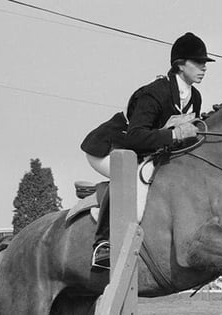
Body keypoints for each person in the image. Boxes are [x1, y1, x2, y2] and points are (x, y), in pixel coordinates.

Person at [81, 32, 214, 270]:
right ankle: (103, 245)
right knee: (128, 176)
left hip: (143, 152)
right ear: (180, 65)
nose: (203, 68)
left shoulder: (194, 97)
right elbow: (135, 137)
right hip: (110, 148)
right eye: (198, 62)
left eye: (205, 63)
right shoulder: (155, 92)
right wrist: (174, 135)